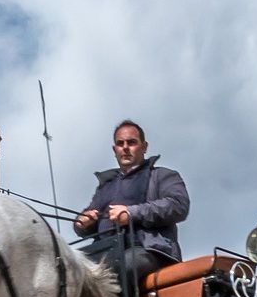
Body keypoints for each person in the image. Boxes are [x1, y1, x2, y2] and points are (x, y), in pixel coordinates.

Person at [72, 119, 190, 287]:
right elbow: (85, 222)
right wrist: (82, 222)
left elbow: (178, 205)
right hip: (104, 252)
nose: (125, 147)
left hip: (148, 251)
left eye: (131, 142)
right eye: (120, 144)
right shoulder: (106, 186)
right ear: (115, 150)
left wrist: (131, 213)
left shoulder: (163, 176)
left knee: (118, 267)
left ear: (144, 147)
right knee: (68, 275)